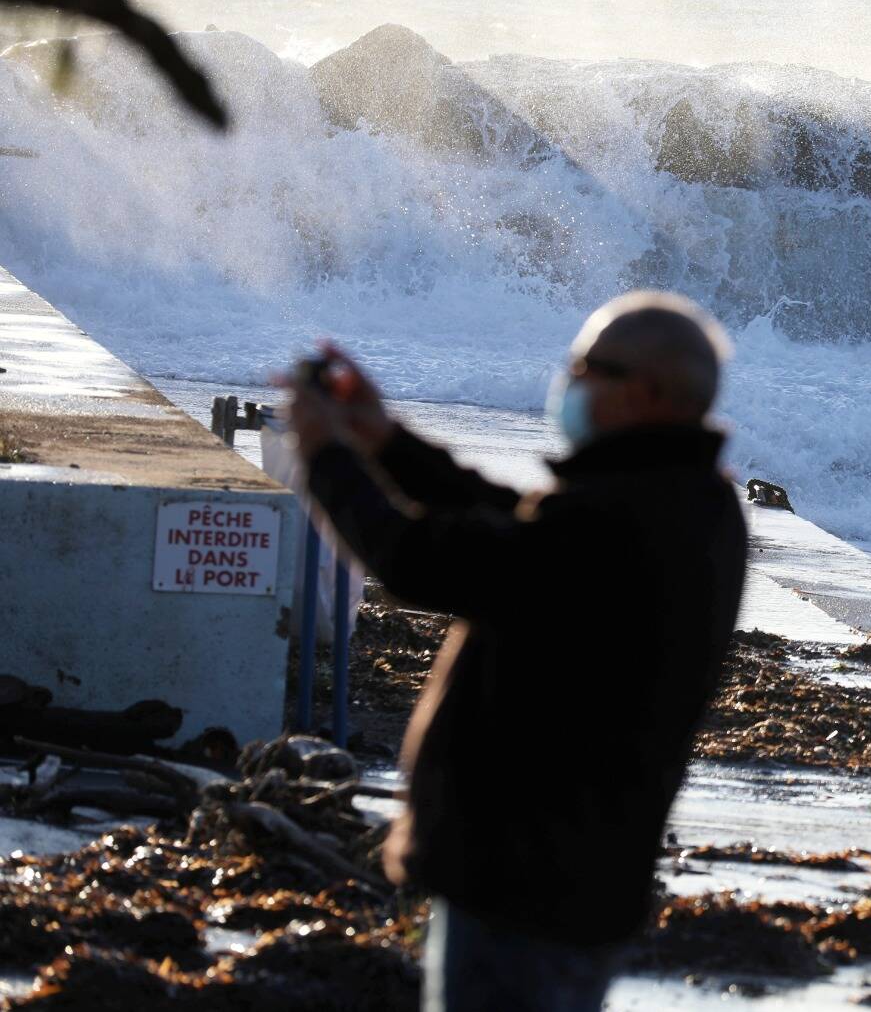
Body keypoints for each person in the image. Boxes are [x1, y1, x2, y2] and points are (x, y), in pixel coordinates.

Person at [284, 292, 748, 1012]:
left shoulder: (622, 518)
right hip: (572, 879)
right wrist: (387, 443)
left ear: (649, 391)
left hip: (524, 887)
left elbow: (421, 560)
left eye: (591, 367)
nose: (572, 378)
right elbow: (515, 527)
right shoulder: (687, 501)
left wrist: (325, 459)